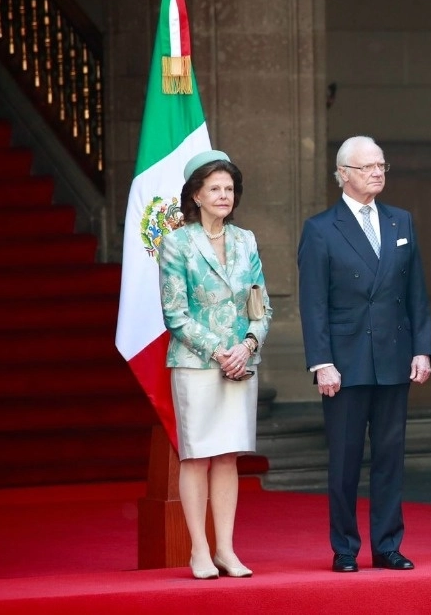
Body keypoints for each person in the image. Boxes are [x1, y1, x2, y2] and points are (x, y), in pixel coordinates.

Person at [297, 135, 431, 573]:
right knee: (344, 461)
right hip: (345, 361)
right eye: (367, 167)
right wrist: (322, 362)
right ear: (343, 174)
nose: (378, 173)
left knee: (391, 457)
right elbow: (313, 303)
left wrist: (422, 349)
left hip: (394, 356)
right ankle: (344, 548)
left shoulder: (400, 221)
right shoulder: (321, 228)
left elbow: (417, 293)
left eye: (381, 165)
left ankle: (388, 544)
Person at [158, 149, 272, 579]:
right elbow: (175, 313)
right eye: (215, 189)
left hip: (242, 363)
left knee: (228, 457)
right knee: (197, 457)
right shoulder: (177, 243)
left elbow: (261, 306)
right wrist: (218, 351)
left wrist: (247, 345)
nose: (224, 196)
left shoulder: (246, 240)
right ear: (196, 195)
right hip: (196, 364)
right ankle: (199, 551)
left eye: (229, 189)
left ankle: (226, 548)